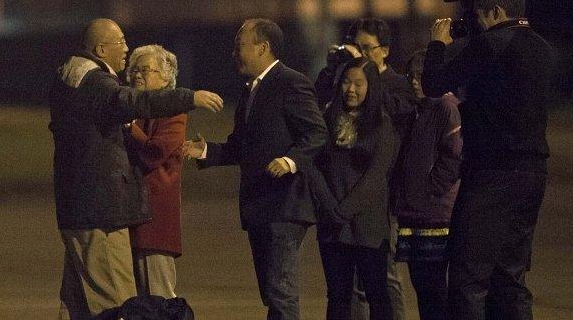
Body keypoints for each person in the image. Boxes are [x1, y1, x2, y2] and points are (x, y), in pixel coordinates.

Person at [50, 18, 223, 319]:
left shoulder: (72, 76)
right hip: (101, 212)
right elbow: (131, 101)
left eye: (148, 69)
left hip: (88, 209)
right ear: (102, 49)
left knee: (77, 302)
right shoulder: (98, 83)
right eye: (121, 42)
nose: (127, 49)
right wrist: (189, 97)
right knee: (120, 306)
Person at [421, 0, 556, 319]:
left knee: (469, 278)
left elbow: (434, 83)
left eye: (479, 16)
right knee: (510, 276)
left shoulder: (492, 45)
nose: (476, 23)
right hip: (532, 173)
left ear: (496, 12)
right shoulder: (543, 48)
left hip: (492, 174)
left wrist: (438, 44)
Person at [183, 18, 328, 320]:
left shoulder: (291, 82)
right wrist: (206, 150)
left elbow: (317, 133)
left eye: (239, 46)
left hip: (284, 204)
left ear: (263, 47)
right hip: (259, 206)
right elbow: (240, 147)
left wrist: (289, 161)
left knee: (280, 293)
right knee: (272, 292)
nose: (233, 53)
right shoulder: (251, 91)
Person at [314, 18, 414, 320]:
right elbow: (316, 159)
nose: (360, 52)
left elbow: (379, 169)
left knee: (382, 283)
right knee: (342, 293)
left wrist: (365, 80)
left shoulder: (395, 89)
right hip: (336, 217)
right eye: (356, 46)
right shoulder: (334, 109)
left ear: (384, 50)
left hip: (378, 207)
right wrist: (336, 70)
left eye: (366, 48)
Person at [394, 49, 462, 320]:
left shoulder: (446, 106)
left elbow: (454, 158)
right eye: (411, 75)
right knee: (422, 287)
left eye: (421, 76)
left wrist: (428, 191)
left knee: (434, 289)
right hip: (414, 214)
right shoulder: (415, 109)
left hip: (436, 216)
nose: (414, 82)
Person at [124, 45, 187, 298]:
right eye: (134, 70)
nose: (138, 75)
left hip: (155, 218)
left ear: (166, 77)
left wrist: (129, 128)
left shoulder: (173, 112)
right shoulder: (131, 108)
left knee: (158, 297)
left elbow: (155, 152)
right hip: (129, 214)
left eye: (146, 70)